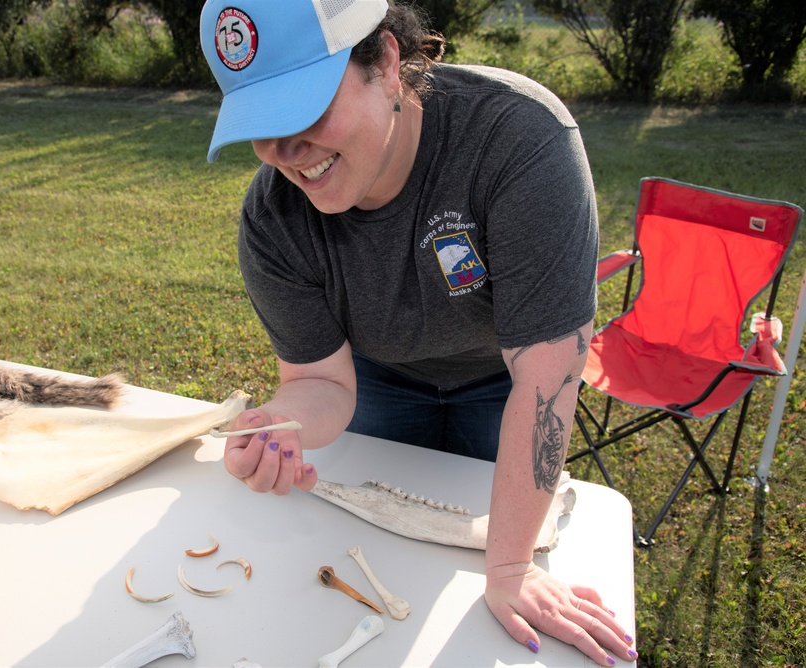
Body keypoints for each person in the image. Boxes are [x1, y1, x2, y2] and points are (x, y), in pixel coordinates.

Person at [199, 0, 637, 664]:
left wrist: (511, 569)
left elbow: (546, 381)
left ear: (387, 62)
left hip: (505, 382)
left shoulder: (520, 140)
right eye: (262, 122)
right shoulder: (272, 220)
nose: (284, 153)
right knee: (385, 573)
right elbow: (321, 382)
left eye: (306, 109)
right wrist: (277, 423)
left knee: (488, 567)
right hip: (378, 380)